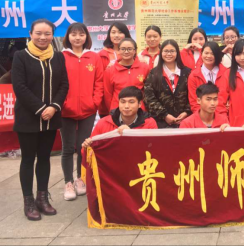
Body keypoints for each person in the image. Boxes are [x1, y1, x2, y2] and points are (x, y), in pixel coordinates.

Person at [12, 19, 69, 221]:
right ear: (30, 34)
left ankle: (42, 198)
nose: (43, 37)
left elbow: (64, 85)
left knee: (44, 158)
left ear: (53, 35)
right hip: (28, 117)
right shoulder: (21, 56)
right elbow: (19, 87)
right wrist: (41, 108)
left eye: (47, 34)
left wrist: (54, 107)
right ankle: (28, 201)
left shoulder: (58, 57)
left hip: (51, 117)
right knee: (28, 159)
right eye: (38, 33)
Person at [61, 23, 104, 201]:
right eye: (74, 34)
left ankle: (80, 178)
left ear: (86, 36)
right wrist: (63, 104)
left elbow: (99, 82)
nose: (77, 38)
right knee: (67, 148)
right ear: (68, 37)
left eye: (81, 34)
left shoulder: (94, 57)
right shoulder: (61, 57)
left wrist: (94, 103)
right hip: (65, 111)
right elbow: (57, 83)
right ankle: (68, 182)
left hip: (88, 110)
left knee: (83, 146)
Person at [82, 86, 157, 146]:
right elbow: (90, 150)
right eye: (123, 102)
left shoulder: (149, 123)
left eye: (131, 102)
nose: (126, 106)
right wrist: (86, 146)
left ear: (139, 104)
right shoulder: (104, 123)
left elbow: (154, 148)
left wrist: (131, 134)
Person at [144, 40, 192, 128]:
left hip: (185, 121)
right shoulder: (153, 73)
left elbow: (193, 95)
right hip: (160, 122)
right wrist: (165, 115)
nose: (169, 54)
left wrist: (186, 112)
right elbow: (149, 98)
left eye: (172, 51)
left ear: (177, 53)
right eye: (166, 51)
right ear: (161, 52)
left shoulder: (187, 72)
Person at [103, 38, 150, 115]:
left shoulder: (145, 68)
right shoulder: (110, 70)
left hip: (140, 111)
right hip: (117, 111)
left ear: (135, 51)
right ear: (119, 50)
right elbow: (108, 95)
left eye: (129, 49)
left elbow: (148, 92)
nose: (126, 51)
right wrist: (113, 110)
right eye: (123, 49)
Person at [188, 42, 229, 114]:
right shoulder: (194, 75)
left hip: (223, 115)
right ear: (201, 54)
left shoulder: (226, 73)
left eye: (212, 53)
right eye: (206, 53)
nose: (209, 56)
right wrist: (204, 117)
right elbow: (194, 102)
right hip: (202, 117)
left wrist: (220, 116)